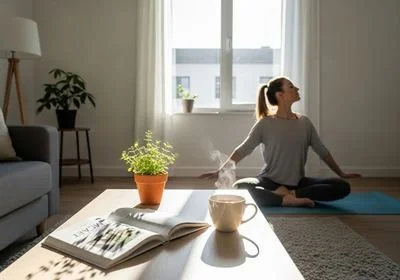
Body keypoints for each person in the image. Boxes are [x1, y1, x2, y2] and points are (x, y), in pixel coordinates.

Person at [199, 76, 361, 207]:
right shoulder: (265, 124)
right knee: (241, 186)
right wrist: (221, 171)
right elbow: (243, 150)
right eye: (291, 86)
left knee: (342, 186)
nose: (296, 88)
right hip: (270, 181)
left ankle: (290, 196)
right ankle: (285, 199)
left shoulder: (304, 122)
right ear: (280, 95)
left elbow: (322, 151)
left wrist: (341, 173)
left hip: (298, 184)